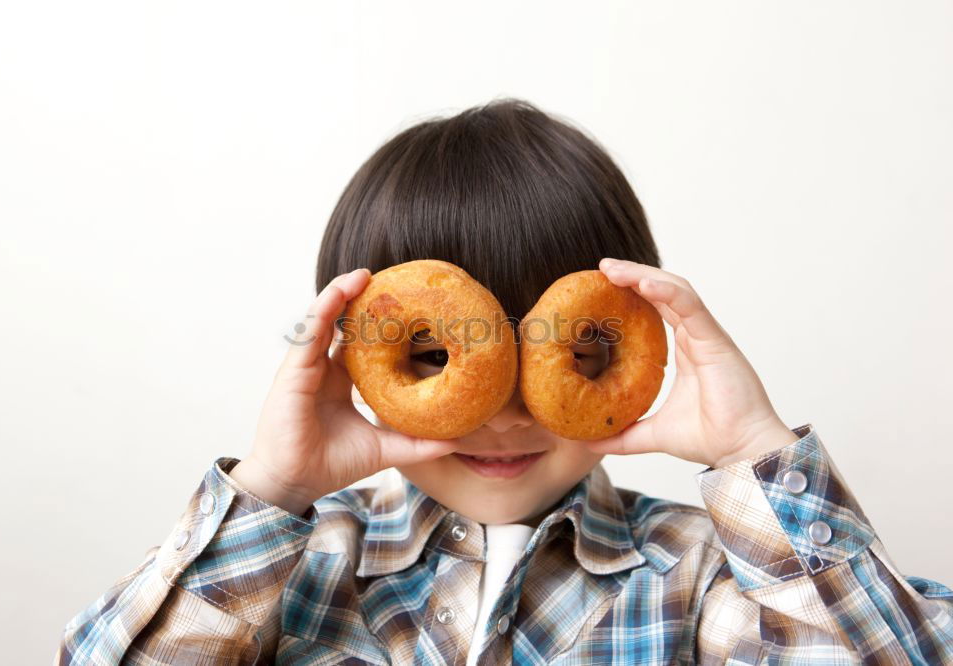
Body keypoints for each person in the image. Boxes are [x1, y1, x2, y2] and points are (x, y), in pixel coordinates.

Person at [55, 100, 953, 665]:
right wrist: (272, 488)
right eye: (441, 356)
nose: (510, 413)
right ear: (356, 356)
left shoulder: (711, 580)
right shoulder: (290, 574)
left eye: (564, 353)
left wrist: (756, 450)